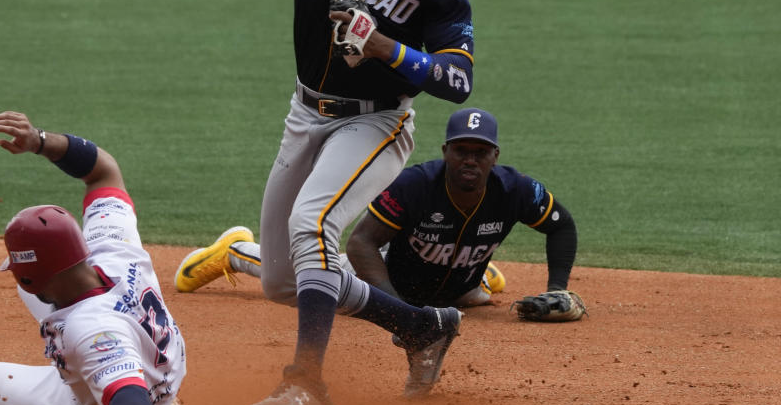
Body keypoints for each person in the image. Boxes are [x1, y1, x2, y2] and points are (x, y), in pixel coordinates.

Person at [146, 0, 476, 405]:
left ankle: (305, 382)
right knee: (280, 280)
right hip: (306, 114)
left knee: (314, 226)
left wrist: (383, 48)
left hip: (375, 123)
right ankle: (422, 325)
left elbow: (457, 81)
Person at [176, 108, 577, 314]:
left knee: (470, 298)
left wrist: (558, 288)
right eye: (461, 151)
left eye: (480, 152)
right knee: (319, 284)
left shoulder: (516, 189)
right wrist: (394, 308)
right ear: (446, 152)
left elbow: (563, 226)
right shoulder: (416, 184)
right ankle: (237, 252)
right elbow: (361, 243)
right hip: (384, 274)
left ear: (495, 156)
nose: (469, 160)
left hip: (450, 287)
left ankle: (472, 274)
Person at [0, 111, 186, 405]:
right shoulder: (113, 244)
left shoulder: (90, 329)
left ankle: (114, 399)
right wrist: (39, 141)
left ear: (36, 275)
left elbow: (133, 402)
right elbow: (104, 170)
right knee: (56, 310)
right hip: (155, 360)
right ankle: (129, 372)